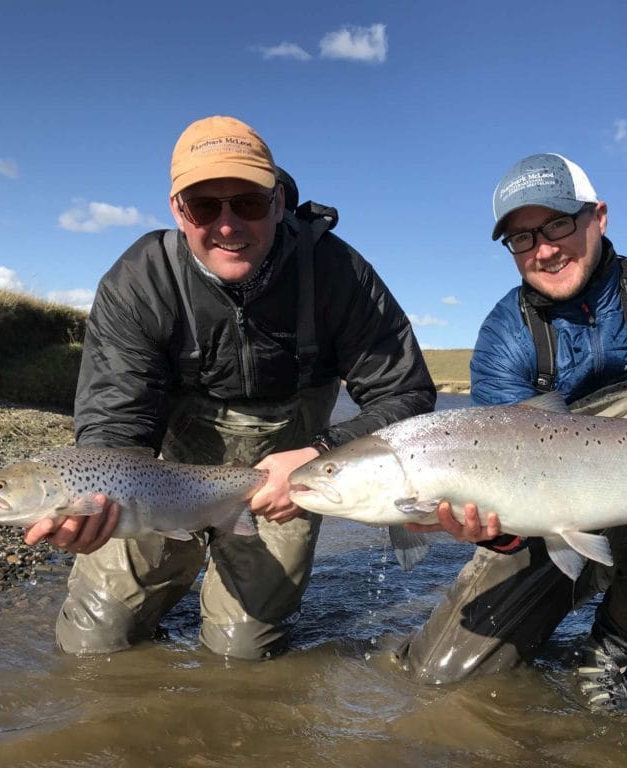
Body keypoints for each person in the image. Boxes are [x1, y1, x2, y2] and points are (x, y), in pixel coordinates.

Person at [23, 115, 436, 658]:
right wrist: (96, 506)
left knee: (243, 653)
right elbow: (115, 423)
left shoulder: (339, 275)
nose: (226, 225)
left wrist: (321, 454)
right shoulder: (141, 281)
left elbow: (405, 397)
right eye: (204, 206)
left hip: (287, 479)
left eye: (246, 203)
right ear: (177, 209)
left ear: (278, 202)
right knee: (94, 642)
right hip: (163, 479)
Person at [398, 152, 627, 710]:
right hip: (545, 517)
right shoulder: (504, 336)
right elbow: (499, 483)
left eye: (557, 224)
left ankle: (616, 654)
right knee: (441, 679)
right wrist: (491, 531)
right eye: (521, 239)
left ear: (600, 217)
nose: (543, 249)